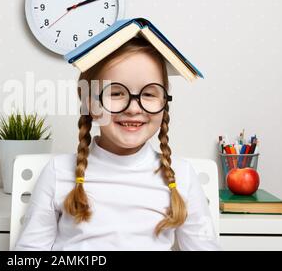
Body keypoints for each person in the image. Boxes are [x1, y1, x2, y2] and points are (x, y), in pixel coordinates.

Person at [14, 37, 221, 250]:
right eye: (116, 93)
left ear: (164, 103)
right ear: (89, 103)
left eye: (149, 94)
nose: (133, 108)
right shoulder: (58, 172)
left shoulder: (182, 176)